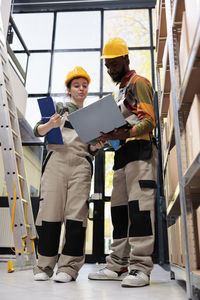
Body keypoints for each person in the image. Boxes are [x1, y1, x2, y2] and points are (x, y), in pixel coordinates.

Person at [88, 37, 158, 287]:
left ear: (126, 59)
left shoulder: (140, 84)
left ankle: (141, 268)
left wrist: (125, 133)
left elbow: (150, 121)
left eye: (114, 64)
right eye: (107, 66)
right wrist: (108, 135)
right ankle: (117, 264)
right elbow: (122, 126)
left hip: (140, 152)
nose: (110, 70)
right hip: (122, 156)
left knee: (139, 210)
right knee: (118, 212)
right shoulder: (119, 92)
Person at [33, 66, 104, 283]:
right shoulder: (58, 108)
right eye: (76, 86)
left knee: (76, 216)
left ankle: (69, 268)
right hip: (56, 163)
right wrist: (50, 124)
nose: (81, 89)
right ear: (69, 89)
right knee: (49, 214)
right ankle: (44, 267)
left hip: (81, 166)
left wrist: (98, 146)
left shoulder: (92, 117)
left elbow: (91, 148)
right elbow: (38, 130)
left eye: (84, 86)